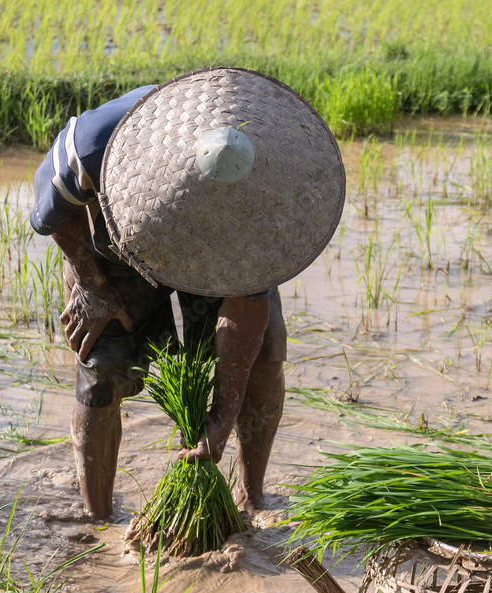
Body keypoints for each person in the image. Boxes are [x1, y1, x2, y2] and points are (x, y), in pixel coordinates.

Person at [29, 68, 345, 521]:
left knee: (263, 358)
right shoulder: (95, 143)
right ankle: (96, 516)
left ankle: (251, 496)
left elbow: (246, 314)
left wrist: (222, 413)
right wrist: (93, 285)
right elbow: (51, 212)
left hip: (225, 259)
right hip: (121, 254)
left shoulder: (264, 206)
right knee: (102, 366)